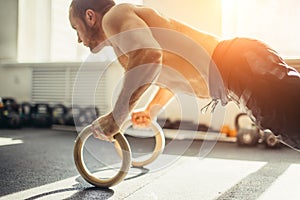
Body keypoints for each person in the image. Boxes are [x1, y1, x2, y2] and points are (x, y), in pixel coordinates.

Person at [69, 0, 300, 150]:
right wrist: (152, 109)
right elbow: (167, 71)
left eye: (75, 28)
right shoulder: (123, 40)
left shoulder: (114, 17)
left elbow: (150, 57)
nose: (79, 38)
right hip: (237, 73)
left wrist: (116, 116)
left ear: (90, 17)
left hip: (239, 64)